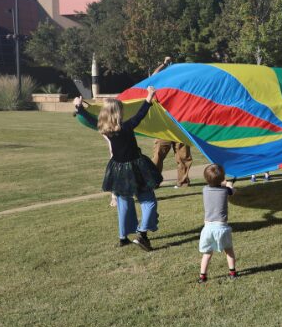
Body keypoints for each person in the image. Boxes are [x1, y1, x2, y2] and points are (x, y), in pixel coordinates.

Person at [74, 87, 162, 250]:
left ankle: (123, 237)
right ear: (118, 114)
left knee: (124, 203)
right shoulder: (127, 127)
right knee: (149, 201)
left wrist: (79, 107)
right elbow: (140, 115)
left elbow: (89, 118)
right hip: (136, 169)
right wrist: (149, 97)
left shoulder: (104, 130)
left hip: (118, 171)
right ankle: (142, 234)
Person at [151, 56, 193, 188]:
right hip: (164, 126)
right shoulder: (161, 85)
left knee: (183, 157)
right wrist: (164, 64)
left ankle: (183, 182)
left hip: (181, 126)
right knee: (158, 155)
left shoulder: (184, 88)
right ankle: (153, 181)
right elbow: (154, 76)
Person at [198, 164, 237, 283]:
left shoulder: (204, 190)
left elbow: (216, 185)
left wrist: (222, 182)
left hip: (208, 228)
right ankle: (232, 273)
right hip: (221, 227)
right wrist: (229, 184)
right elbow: (232, 191)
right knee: (229, 251)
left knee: (207, 254)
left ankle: (202, 276)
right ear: (222, 179)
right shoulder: (226, 191)